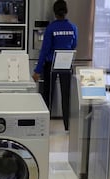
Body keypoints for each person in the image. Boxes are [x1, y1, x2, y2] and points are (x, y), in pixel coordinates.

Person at [32, 0, 78, 131]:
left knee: (48, 95)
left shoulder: (51, 28)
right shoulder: (73, 27)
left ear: (54, 12)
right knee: (66, 95)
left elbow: (45, 50)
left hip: (51, 64)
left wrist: (37, 70)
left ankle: (45, 127)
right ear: (66, 11)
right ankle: (67, 127)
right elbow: (74, 45)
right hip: (67, 63)